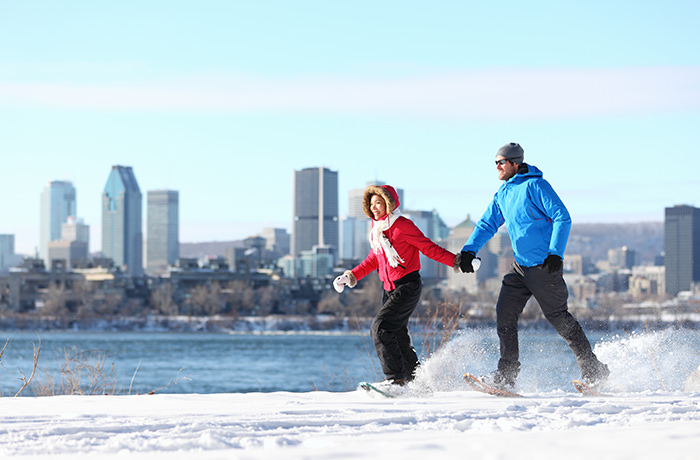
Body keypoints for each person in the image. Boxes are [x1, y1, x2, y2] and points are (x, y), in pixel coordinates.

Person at [459, 142, 609, 390]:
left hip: (544, 267)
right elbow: (487, 224)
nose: (497, 166)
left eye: (501, 162)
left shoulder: (536, 186)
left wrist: (555, 254)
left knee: (559, 319)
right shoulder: (503, 193)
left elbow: (562, 216)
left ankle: (595, 372)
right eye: (495, 162)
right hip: (520, 268)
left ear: (515, 163)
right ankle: (506, 376)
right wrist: (469, 250)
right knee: (504, 313)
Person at [334, 184, 460, 386]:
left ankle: (395, 379)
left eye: (378, 202)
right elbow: (372, 261)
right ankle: (415, 380)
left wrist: (456, 261)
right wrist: (350, 276)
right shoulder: (377, 231)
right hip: (389, 289)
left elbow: (428, 248)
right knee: (398, 335)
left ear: (389, 203)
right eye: (371, 203)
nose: (374, 207)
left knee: (381, 328)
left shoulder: (402, 226)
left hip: (407, 286)